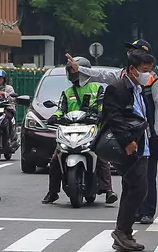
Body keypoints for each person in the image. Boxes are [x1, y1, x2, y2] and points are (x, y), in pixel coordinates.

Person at [68, 41, 158, 222]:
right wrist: (80, 70)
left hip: (147, 134)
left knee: (146, 179)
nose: (130, 52)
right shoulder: (124, 78)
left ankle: (145, 212)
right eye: (130, 51)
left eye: (134, 50)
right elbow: (101, 75)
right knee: (131, 181)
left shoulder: (155, 78)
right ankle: (129, 220)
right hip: (129, 136)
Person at [100, 51, 158, 251]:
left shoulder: (139, 90)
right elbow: (113, 117)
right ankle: (122, 231)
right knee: (139, 188)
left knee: (133, 188)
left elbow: (145, 119)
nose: (147, 75)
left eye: (150, 71)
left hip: (142, 146)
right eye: (144, 71)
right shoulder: (118, 89)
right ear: (132, 70)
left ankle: (123, 232)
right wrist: (127, 142)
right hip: (129, 147)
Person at [42, 58, 115, 205]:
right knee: (56, 159)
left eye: (74, 71)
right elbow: (61, 110)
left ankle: (108, 190)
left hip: (91, 128)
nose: (72, 74)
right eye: (70, 71)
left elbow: (102, 107)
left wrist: (100, 116)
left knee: (100, 156)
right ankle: (53, 192)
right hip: (70, 129)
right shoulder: (67, 92)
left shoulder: (97, 88)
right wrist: (53, 118)